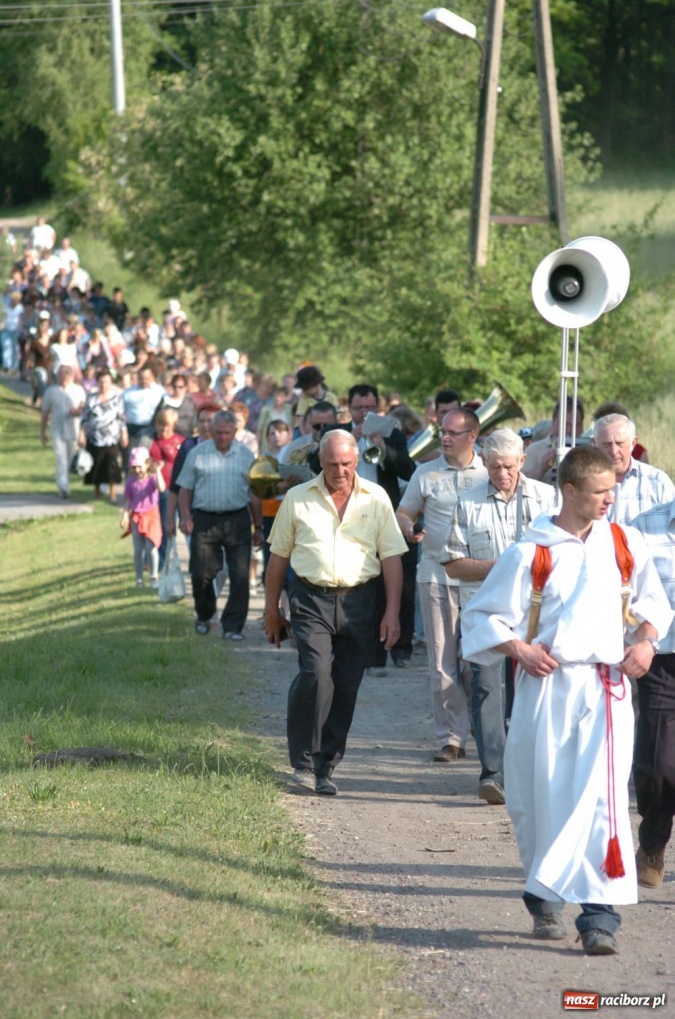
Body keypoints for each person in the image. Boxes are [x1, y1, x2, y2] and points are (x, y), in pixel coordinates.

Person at [460, 445, 672, 956]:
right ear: (570, 490)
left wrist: (643, 642)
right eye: (599, 492)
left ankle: (599, 918)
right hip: (548, 689)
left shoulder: (625, 543)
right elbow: (483, 618)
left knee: (604, 801)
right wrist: (520, 649)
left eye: (613, 490)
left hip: (607, 691)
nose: (609, 500)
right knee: (544, 794)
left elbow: (655, 609)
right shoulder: (532, 553)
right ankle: (545, 896)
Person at [264, 429, 407, 795]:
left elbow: (391, 557)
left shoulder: (376, 498)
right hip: (310, 599)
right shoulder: (297, 499)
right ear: (321, 463)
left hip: (360, 600)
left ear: (356, 461)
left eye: (345, 463)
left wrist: (392, 613)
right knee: (315, 673)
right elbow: (278, 558)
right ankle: (303, 762)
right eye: (332, 464)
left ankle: (327, 765)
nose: (339, 471)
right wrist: (271, 611)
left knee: (345, 684)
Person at [443, 428, 557, 802]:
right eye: (493, 467)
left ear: (523, 462)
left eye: (508, 466)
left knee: (533, 688)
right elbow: (454, 565)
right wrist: (501, 567)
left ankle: (530, 770)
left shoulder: (548, 499)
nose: (501, 474)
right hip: (487, 610)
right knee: (487, 687)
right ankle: (493, 773)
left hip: (537, 612)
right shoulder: (468, 503)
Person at [396, 407, 488, 762]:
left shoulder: (489, 472)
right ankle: (450, 738)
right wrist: (408, 528)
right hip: (436, 576)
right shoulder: (427, 472)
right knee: (441, 661)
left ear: (472, 437)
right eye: (442, 433)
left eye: (452, 433)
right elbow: (405, 513)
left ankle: (484, 731)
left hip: (481, 579)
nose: (445, 439)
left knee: (475, 661)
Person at [345, 383, 416, 673]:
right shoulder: (339, 433)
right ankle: (368, 653)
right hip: (349, 517)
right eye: (359, 408)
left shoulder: (392, 433)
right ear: (349, 409)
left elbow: (408, 470)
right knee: (360, 585)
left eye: (369, 408)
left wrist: (384, 448)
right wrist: (349, 441)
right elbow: (315, 465)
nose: (364, 413)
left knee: (397, 583)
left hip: (385, 515)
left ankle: (400, 648)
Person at [177, 409, 263, 639]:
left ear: (235, 431)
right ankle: (204, 615)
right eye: (218, 433)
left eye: (227, 433)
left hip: (237, 519)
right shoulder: (197, 453)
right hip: (205, 519)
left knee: (240, 574)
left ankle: (233, 627)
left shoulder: (246, 455)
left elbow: (254, 494)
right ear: (211, 431)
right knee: (201, 572)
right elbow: (185, 488)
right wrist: (185, 517)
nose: (222, 437)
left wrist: (259, 526)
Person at [630, 498, 675, 889]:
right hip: (661, 658)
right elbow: (626, 591)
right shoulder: (644, 527)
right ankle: (653, 840)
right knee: (658, 766)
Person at [593, 413, 674, 524]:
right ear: (594, 444)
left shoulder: (657, 481)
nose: (613, 451)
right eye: (606, 444)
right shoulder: (583, 483)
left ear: (633, 443)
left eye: (620, 443)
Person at [79, 368, 128, 504]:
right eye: (101, 382)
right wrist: (81, 434)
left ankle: (113, 494)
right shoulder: (91, 399)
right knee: (96, 466)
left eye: (106, 382)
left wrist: (124, 434)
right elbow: (84, 418)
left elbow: (121, 418)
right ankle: (97, 492)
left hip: (112, 438)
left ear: (111, 383)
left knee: (111, 465)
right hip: (95, 437)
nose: (104, 385)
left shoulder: (117, 399)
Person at [122, 446, 165, 589]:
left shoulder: (152, 479)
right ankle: (139, 579)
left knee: (151, 548)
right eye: (134, 467)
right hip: (136, 517)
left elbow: (161, 488)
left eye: (139, 466)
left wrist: (158, 471)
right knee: (138, 550)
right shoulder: (130, 482)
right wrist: (125, 515)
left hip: (151, 516)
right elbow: (128, 501)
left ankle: (154, 577)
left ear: (147, 464)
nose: (137, 470)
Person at [40, 365, 86, 499]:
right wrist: (42, 432)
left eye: (63, 374)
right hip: (57, 430)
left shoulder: (78, 390)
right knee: (61, 460)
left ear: (70, 375)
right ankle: (63, 488)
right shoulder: (51, 391)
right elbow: (45, 412)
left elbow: (85, 412)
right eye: (58, 374)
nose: (60, 377)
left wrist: (78, 413)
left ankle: (68, 482)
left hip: (74, 429)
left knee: (71, 459)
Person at [523, 396, 585, 484]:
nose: (569, 430)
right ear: (554, 421)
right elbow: (521, 485)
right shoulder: (533, 450)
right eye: (565, 424)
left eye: (576, 425)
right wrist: (541, 470)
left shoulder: (588, 450)